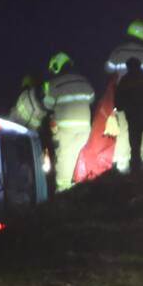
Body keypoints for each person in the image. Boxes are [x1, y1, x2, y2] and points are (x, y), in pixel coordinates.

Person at [105, 19, 143, 172]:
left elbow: (108, 69)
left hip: (127, 104)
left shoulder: (118, 51)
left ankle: (125, 167)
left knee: (127, 133)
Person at [43, 52, 94, 192]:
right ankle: (83, 185)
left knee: (64, 157)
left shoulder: (54, 84)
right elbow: (91, 97)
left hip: (65, 128)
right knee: (81, 156)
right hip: (84, 127)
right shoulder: (83, 81)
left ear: (57, 66)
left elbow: (47, 105)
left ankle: (63, 190)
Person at [114, 57, 143, 176]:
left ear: (128, 67)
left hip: (134, 118)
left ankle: (136, 171)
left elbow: (118, 104)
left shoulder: (125, 81)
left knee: (135, 146)